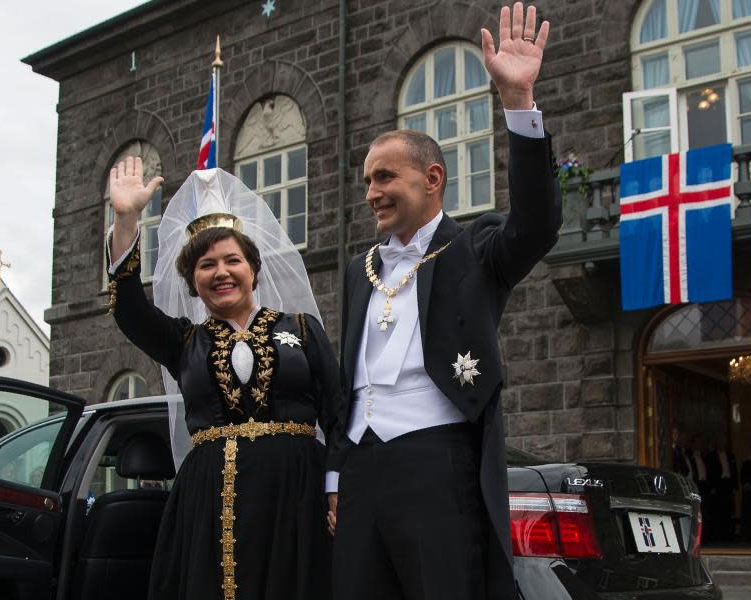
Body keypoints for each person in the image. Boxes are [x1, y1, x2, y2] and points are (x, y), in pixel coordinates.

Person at [326, 4, 560, 599]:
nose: (372, 193)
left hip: (437, 464)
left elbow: (536, 224)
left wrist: (519, 103)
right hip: (360, 468)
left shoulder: (475, 250)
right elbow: (351, 380)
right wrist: (336, 472)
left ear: (432, 179)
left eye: (385, 178)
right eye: (368, 181)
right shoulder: (360, 269)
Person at [106, 157, 339, 600]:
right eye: (206, 265)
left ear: (253, 268)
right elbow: (128, 308)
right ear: (193, 282)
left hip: (297, 497)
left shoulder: (302, 329)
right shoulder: (183, 341)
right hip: (210, 502)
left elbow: (339, 413)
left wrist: (336, 489)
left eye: (232, 260)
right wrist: (126, 218)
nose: (221, 272)